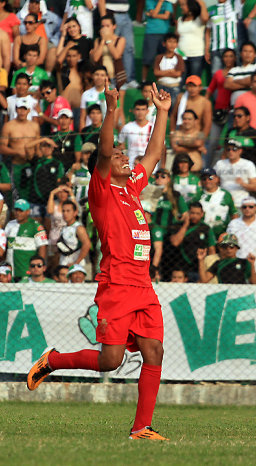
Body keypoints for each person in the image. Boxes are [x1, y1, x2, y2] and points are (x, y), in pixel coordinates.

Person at [27, 81, 172, 442]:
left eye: (126, 154)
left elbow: (154, 153)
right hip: (117, 285)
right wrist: (111, 109)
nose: (126, 157)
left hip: (143, 284)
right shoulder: (102, 189)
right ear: (102, 168)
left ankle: (142, 428)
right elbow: (105, 152)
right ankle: (53, 360)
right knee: (111, 361)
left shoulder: (132, 185)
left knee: (155, 349)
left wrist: (163, 112)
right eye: (120, 155)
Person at [0, 97, 40, 201]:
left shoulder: (35, 126)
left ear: (29, 110)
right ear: (16, 109)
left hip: (32, 165)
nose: (22, 112)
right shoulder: (9, 126)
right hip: (16, 166)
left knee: (31, 197)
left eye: (24, 109)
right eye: (20, 109)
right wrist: (17, 152)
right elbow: (2, 148)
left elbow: (38, 148)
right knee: (16, 197)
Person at [226, 196, 256, 283]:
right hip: (238, 267)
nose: (247, 209)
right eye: (244, 207)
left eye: (251, 207)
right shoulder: (233, 224)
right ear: (241, 209)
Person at [169, 201, 216, 281]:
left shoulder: (206, 229)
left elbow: (212, 250)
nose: (194, 216)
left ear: (202, 214)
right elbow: (175, 242)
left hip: (198, 268)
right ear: (188, 213)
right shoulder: (177, 226)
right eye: (192, 213)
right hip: (180, 269)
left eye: (197, 213)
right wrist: (185, 225)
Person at [205, 48, 236, 164]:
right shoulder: (218, 73)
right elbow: (210, 90)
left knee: (229, 142)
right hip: (218, 111)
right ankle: (207, 167)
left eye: (231, 56)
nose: (228, 59)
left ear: (235, 58)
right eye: (226, 56)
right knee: (212, 142)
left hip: (232, 113)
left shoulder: (237, 72)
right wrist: (205, 105)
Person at [97, 0, 137, 89]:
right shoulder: (108, 24)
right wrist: (105, 19)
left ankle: (129, 79)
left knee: (129, 48)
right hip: (112, 13)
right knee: (111, 47)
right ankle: (110, 80)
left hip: (126, 14)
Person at [5, 199, 48, 281]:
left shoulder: (36, 226)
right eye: (16, 210)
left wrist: (39, 267)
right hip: (10, 268)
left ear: (28, 212)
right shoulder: (10, 224)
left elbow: (42, 247)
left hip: (26, 269)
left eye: (21, 210)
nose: (17, 213)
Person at [24, 137, 65, 221]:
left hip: (50, 201)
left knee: (48, 226)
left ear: (53, 148)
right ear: (40, 148)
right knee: (36, 227)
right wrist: (43, 139)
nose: (46, 148)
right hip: (34, 200)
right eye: (44, 146)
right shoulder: (35, 160)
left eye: (49, 146)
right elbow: (27, 147)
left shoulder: (57, 164)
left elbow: (59, 182)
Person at [17, 0, 62, 73]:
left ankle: (48, 75)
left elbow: (61, 27)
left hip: (46, 42)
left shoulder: (50, 16)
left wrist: (53, 41)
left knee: (52, 49)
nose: (34, 5)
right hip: (27, 41)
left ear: (41, 4)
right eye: (31, 2)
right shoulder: (21, 16)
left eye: (37, 3)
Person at [214, 138, 256, 209]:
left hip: (240, 203)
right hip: (222, 203)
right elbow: (214, 181)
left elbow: (255, 187)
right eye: (228, 149)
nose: (231, 152)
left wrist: (243, 184)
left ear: (240, 151)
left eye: (234, 149)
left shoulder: (248, 164)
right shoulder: (220, 164)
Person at [197, 168, 238, 238]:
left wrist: (232, 232)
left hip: (222, 235)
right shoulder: (198, 195)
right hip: (202, 234)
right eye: (204, 179)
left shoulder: (226, 194)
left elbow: (234, 214)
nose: (207, 181)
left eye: (210, 178)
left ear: (217, 179)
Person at [90, 14, 127, 90]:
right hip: (101, 77)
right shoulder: (98, 41)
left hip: (115, 77)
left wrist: (108, 40)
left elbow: (116, 55)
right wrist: (103, 40)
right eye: (103, 26)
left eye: (107, 26)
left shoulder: (120, 39)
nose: (105, 28)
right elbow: (95, 58)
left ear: (114, 26)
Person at [224, 41, 256, 106]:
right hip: (235, 106)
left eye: (250, 52)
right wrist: (248, 84)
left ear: (255, 54)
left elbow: (252, 80)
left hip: (253, 105)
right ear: (241, 54)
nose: (247, 54)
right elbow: (227, 85)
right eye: (245, 51)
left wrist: (235, 81)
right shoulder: (233, 70)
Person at [226, 106, 256, 177]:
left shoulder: (254, 133)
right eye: (234, 116)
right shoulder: (231, 132)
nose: (236, 119)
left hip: (249, 171)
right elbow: (225, 153)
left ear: (248, 118)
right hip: (232, 171)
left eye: (239, 116)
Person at [141, 0, 173, 81]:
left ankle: (162, 80)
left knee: (163, 59)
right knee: (147, 60)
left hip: (164, 33)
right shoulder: (149, 1)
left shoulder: (168, 2)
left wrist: (153, 15)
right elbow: (155, 13)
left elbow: (166, 16)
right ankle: (143, 81)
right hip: (151, 33)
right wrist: (160, 2)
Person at [176, 0, 208, 79]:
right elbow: (176, 36)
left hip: (196, 55)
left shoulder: (199, 19)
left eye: (183, 5)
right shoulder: (180, 20)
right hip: (181, 55)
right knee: (181, 81)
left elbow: (205, 18)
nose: (181, 7)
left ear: (190, 6)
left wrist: (201, 2)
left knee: (194, 80)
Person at [204, 0, 238, 75]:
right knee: (216, 75)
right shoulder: (210, 9)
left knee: (232, 74)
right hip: (216, 49)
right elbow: (208, 31)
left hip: (231, 47)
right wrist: (206, 49)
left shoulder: (234, 6)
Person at [153, 32, 185, 110]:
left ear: (177, 44)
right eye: (170, 41)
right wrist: (170, 71)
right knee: (160, 109)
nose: (172, 44)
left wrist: (162, 73)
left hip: (174, 88)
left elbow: (178, 73)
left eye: (174, 42)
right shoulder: (159, 57)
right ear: (164, 43)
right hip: (161, 87)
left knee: (173, 110)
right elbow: (156, 72)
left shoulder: (179, 57)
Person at [118, 99, 154, 168]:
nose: (140, 112)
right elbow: (120, 145)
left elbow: (162, 148)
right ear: (133, 111)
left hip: (149, 166)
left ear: (147, 111)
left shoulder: (153, 127)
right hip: (132, 166)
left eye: (143, 109)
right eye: (138, 109)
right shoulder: (127, 127)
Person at [57, 199, 91, 267]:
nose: (65, 213)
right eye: (63, 211)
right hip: (64, 264)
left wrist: (77, 262)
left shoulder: (78, 228)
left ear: (75, 213)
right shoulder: (63, 228)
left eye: (68, 211)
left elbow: (87, 244)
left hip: (75, 266)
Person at [58, 45, 83, 120]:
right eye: (68, 56)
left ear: (79, 56)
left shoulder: (83, 72)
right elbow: (58, 62)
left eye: (74, 56)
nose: (71, 59)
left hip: (79, 110)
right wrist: (67, 46)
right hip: (64, 110)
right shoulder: (62, 71)